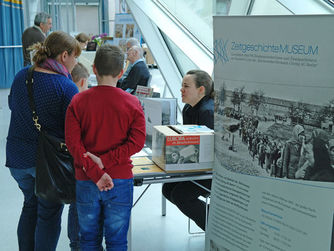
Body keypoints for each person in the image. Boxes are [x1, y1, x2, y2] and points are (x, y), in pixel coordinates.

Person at [65, 44, 146, 250]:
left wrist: (96, 171)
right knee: (117, 241)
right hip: (119, 179)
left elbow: (73, 144)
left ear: (94, 69)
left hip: (86, 179)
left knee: (89, 240)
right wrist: (107, 162)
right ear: (121, 72)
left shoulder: (77, 101)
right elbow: (137, 142)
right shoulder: (133, 102)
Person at [6, 31, 81, 251]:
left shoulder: (22, 75)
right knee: (48, 214)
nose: (76, 64)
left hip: (17, 159)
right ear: (64, 55)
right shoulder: (66, 86)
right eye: (75, 57)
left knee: (30, 205)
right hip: (47, 164)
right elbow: (74, 128)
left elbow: (13, 106)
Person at [162, 69, 214, 231]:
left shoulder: (208, 112)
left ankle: (214, 228)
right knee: (168, 188)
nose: (181, 89)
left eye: (186, 86)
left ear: (201, 90)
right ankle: (212, 217)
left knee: (180, 195)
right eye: (181, 85)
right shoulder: (188, 109)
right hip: (195, 165)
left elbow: (208, 149)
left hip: (209, 170)